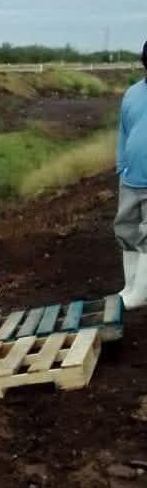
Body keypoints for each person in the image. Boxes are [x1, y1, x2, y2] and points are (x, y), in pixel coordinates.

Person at [115, 41, 147, 309]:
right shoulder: (133, 93)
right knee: (126, 230)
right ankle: (129, 287)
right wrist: (121, 166)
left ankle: (140, 294)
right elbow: (124, 131)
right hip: (130, 177)